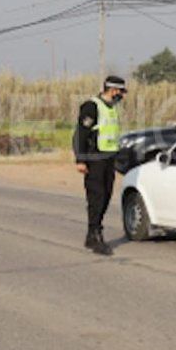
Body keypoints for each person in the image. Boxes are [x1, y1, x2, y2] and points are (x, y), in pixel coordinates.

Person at [73, 75, 127, 255]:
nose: (122, 96)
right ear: (112, 90)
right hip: (94, 159)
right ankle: (95, 236)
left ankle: (92, 234)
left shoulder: (112, 108)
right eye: (120, 92)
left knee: (106, 196)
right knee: (97, 197)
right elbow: (80, 134)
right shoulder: (92, 107)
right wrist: (80, 159)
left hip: (109, 159)